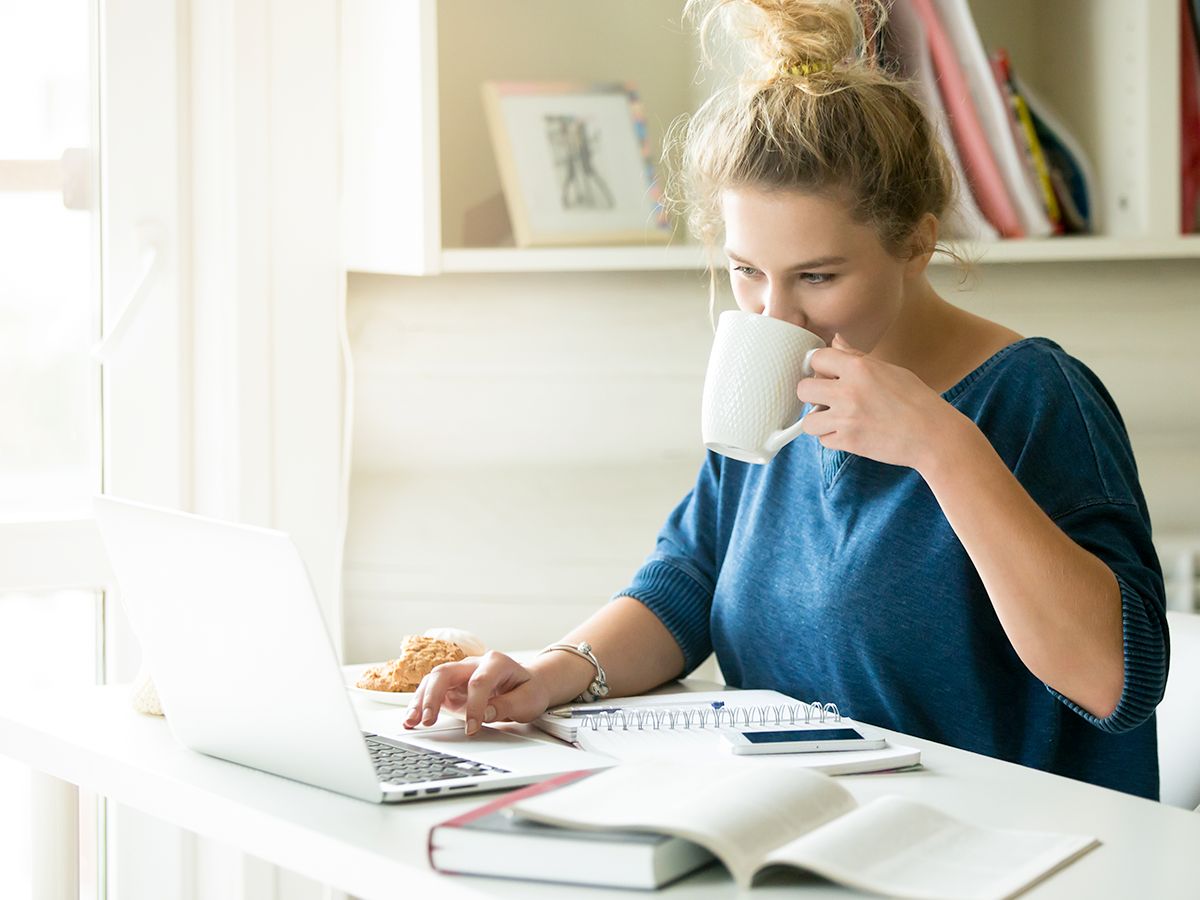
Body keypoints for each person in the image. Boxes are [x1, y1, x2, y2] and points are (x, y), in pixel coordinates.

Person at [404, 0, 1169, 799]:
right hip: (806, 829)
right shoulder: (777, 384)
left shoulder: (1036, 395)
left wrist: (940, 447)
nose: (777, 316)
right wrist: (558, 668)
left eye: (818, 276)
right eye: (747, 271)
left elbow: (1115, 682)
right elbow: (692, 576)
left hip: (1010, 852)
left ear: (915, 241)